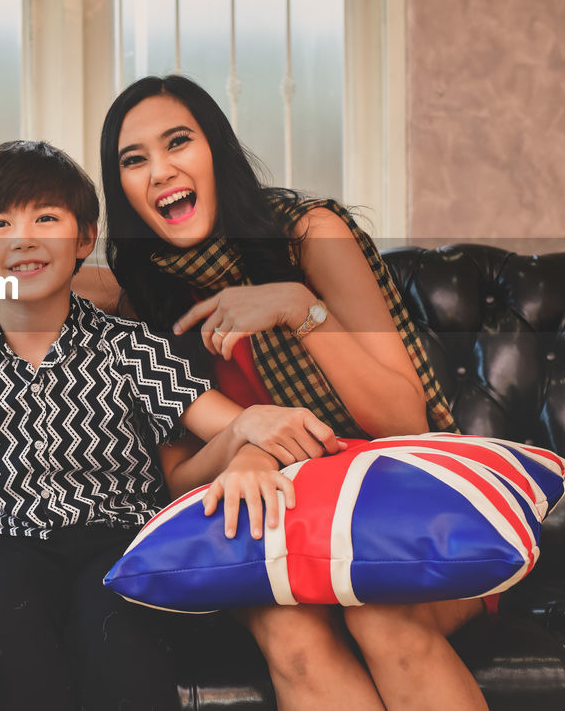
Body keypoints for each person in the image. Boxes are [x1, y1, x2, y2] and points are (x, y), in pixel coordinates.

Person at [99, 75, 488, 711]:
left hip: (399, 502)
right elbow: (176, 481)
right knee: (291, 632)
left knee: (379, 615)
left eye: (178, 144)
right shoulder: (148, 296)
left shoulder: (309, 235)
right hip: (274, 526)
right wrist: (244, 444)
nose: (161, 171)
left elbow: (402, 417)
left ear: (216, 151)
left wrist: (299, 309)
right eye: (134, 160)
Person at [0, 140, 319, 711]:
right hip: (3, 546)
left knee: (118, 631)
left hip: (120, 538)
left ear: (84, 239)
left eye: (47, 217)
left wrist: (257, 427)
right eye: (0, 223)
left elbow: (232, 424)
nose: (24, 237)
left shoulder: (129, 346)